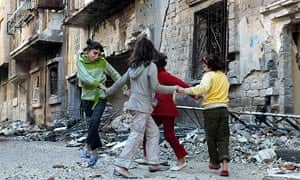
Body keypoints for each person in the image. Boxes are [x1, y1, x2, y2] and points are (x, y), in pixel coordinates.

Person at [101, 37, 179, 178]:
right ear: (150, 51)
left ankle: (153, 163)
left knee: (153, 131)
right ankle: (121, 165)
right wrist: (174, 88)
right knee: (136, 135)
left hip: (135, 105)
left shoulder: (133, 67)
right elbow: (157, 87)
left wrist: (108, 90)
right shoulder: (151, 67)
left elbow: (119, 82)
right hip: (142, 107)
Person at [177, 54, 230, 177]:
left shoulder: (208, 76)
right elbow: (215, 91)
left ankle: (215, 162)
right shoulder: (223, 77)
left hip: (211, 110)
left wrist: (185, 90)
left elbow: (203, 88)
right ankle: (225, 165)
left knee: (211, 137)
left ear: (209, 65)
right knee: (223, 137)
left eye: (204, 64)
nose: (203, 66)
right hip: (223, 109)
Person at [76, 39, 127, 167]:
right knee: (91, 126)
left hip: (100, 98)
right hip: (87, 99)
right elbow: (84, 77)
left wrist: (125, 87)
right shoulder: (80, 62)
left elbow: (115, 74)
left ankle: (87, 145)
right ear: (87, 51)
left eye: (99, 54)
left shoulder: (102, 62)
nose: (96, 56)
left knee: (94, 122)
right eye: (94, 53)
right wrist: (99, 84)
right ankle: (94, 154)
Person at [136, 52, 190, 171]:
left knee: (169, 135)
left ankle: (181, 160)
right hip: (156, 110)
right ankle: (148, 157)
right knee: (147, 131)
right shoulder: (152, 75)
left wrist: (195, 94)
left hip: (166, 110)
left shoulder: (164, 75)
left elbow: (183, 85)